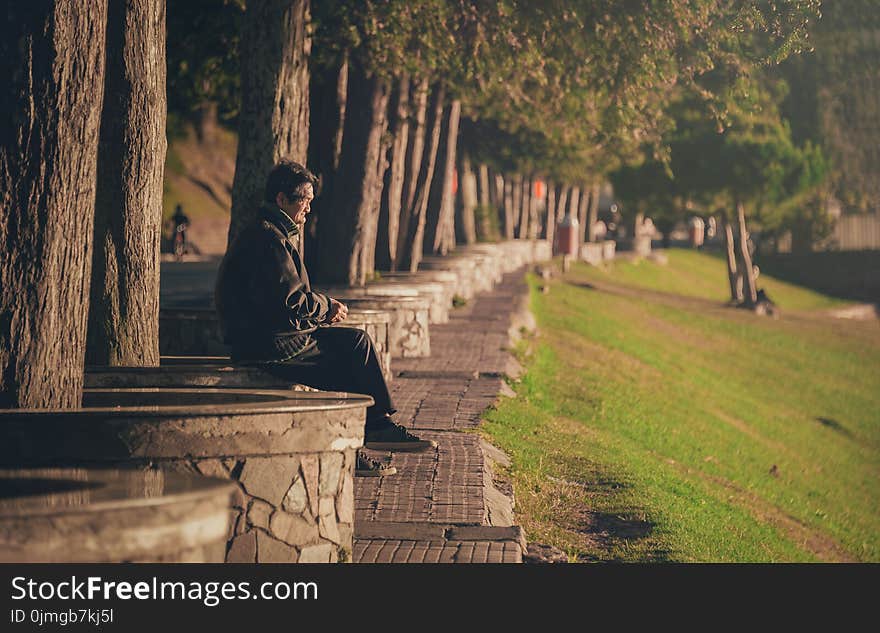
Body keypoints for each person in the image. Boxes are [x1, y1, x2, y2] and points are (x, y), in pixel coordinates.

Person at [215, 160, 435, 477]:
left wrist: (320, 308)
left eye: (310, 201)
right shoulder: (268, 240)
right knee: (352, 354)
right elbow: (290, 300)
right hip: (269, 346)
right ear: (281, 200)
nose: (308, 208)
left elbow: (284, 296)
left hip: (272, 337)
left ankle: (370, 431)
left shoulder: (269, 234)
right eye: (303, 200)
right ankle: (373, 430)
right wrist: (325, 307)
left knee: (353, 346)